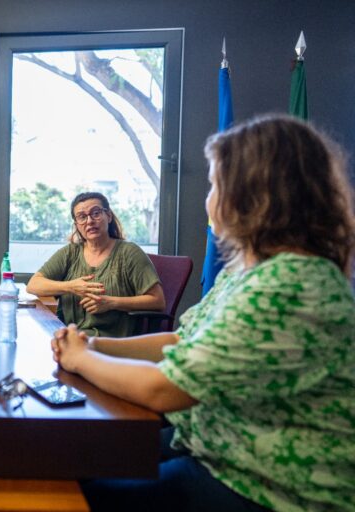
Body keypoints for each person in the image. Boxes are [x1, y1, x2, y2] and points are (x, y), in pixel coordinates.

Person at [52, 115, 355, 511]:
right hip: (212, 445)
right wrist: (96, 344)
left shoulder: (293, 282)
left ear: (252, 195)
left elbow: (166, 389)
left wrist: (81, 358)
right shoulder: (248, 271)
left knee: (73, 495)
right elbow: (182, 340)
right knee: (67, 458)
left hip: (270, 486)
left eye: (215, 185)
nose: (208, 198)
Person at [26, 192, 164, 337]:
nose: (90, 221)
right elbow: (33, 285)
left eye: (96, 213)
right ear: (76, 225)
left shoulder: (129, 252)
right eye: (82, 217)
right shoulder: (70, 252)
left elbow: (158, 301)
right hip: (72, 336)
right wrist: (71, 287)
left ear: (109, 216)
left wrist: (111, 302)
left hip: (112, 342)